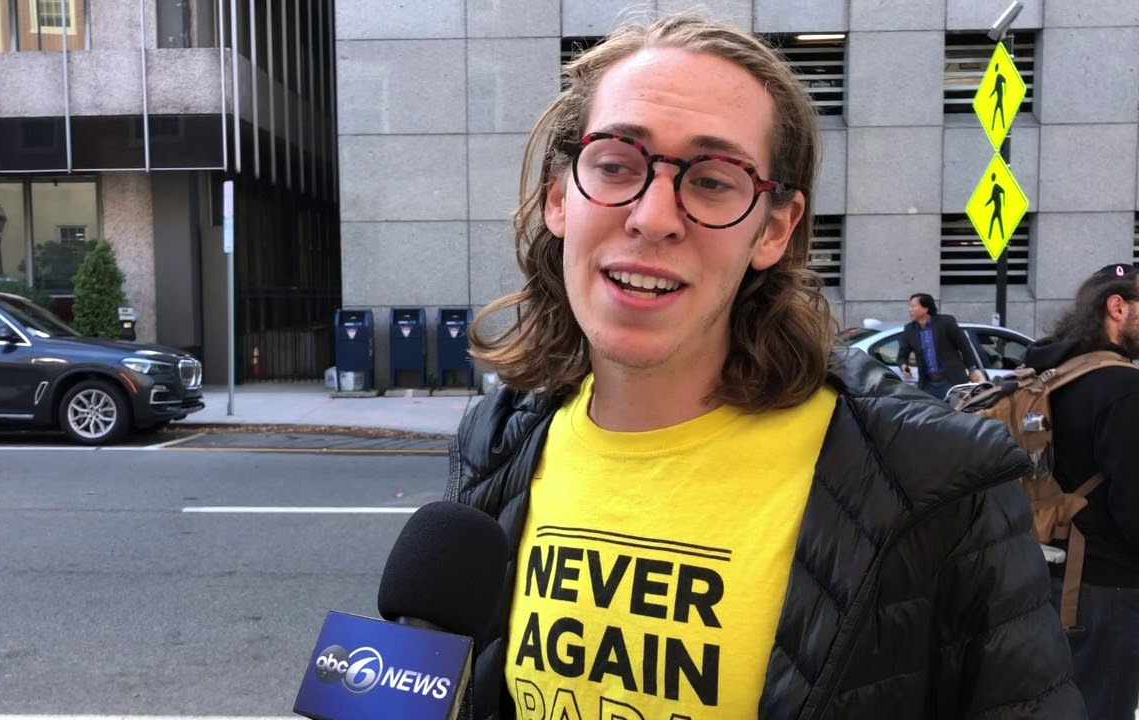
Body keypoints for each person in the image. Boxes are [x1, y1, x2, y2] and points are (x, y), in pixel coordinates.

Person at [442, 12, 1085, 720]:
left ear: (773, 228)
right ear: (560, 197)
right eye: (617, 164)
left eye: (713, 180)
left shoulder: (936, 480)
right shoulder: (496, 441)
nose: (654, 217)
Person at [1024, 263, 1139, 720]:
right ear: (1118, 307)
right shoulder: (1124, 388)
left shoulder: (1053, 374)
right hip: (1109, 587)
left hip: (1048, 575)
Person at [896, 292, 984, 400]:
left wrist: (972, 369)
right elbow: (902, 355)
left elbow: (964, 346)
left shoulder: (946, 322)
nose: (910, 310)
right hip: (927, 384)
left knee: (954, 414)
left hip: (950, 381)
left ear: (925, 308)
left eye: (913, 306)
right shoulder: (909, 329)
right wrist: (903, 365)